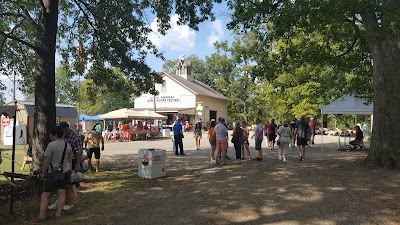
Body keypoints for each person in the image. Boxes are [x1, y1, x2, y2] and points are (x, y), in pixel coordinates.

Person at [31, 127, 72, 223]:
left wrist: (43, 171)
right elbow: (69, 161)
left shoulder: (51, 145)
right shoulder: (67, 145)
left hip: (53, 172)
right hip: (65, 171)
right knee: (62, 192)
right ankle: (58, 214)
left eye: (50, 135)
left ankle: (42, 216)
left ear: (55, 135)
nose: (49, 136)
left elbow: (46, 160)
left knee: (45, 194)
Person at [48, 121, 83, 211]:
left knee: (70, 183)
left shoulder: (75, 137)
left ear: (66, 129)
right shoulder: (62, 137)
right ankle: (60, 201)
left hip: (73, 161)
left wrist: (77, 164)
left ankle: (70, 202)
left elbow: (79, 152)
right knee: (61, 183)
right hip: (63, 162)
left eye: (61, 129)